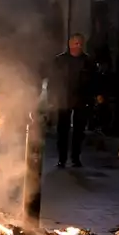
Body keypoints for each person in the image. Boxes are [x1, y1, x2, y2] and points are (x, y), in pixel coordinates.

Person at [49, 33, 97, 168]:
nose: (79, 46)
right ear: (70, 45)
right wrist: (52, 97)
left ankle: (75, 157)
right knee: (62, 130)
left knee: (79, 131)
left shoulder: (88, 61)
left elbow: (94, 81)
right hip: (64, 98)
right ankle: (62, 158)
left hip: (82, 99)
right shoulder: (60, 61)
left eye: (81, 44)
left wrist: (95, 95)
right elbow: (53, 80)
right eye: (76, 44)